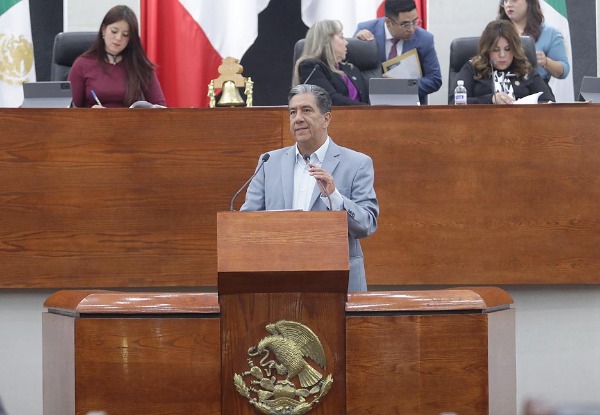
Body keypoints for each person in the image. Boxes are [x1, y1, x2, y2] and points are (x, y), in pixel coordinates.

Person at [240, 84, 379, 292]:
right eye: (292, 112)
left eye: (306, 110)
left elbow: (367, 225)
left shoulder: (357, 163)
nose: (298, 118)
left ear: (326, 118)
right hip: (279, 278)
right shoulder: (269, 162)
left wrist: (334, 197)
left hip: (336, 281)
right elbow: (247, 223)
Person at [68, 5, 165, 108]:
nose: (118, 38)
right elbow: (68, 110)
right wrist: (90, 114)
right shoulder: (82, 65)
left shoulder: (140, 65)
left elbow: (160, 107)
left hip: (130, 118)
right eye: (114, 31)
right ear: (103, 30)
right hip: (94, 119)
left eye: (125, 34)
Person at [354, 0, 442, 105]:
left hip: (411, 107)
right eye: (405, 24)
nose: (411, 29)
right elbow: (350, 73)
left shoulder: (424, 39)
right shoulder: (366, 31)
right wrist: (356, 43)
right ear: (388, 22)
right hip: (373, 106)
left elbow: (434, 80)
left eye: (415, 21)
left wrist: (401, 86)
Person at [449, 20, 554, 105]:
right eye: (496, 50)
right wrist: (490, 99)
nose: (502, 55)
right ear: (487, 49)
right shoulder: (473, 68)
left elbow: (548, 102)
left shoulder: (524, 69)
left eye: (508, 49)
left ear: (514, 49)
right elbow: (454, 103)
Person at [293, 20, 369, 106]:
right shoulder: (311, 67)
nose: (346, 43)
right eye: (341, 37)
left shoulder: (351, 69)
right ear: (326, 41)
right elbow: (329, 98)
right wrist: (368, 109)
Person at [498, 0, 570, 85]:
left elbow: (564, 70)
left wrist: (546, 61)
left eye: (514, 0)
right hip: (502, 86)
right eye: (505, 1)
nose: (508, 5)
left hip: (535, 87)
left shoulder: (549, 33)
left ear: (529, 2)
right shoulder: (496, 31)